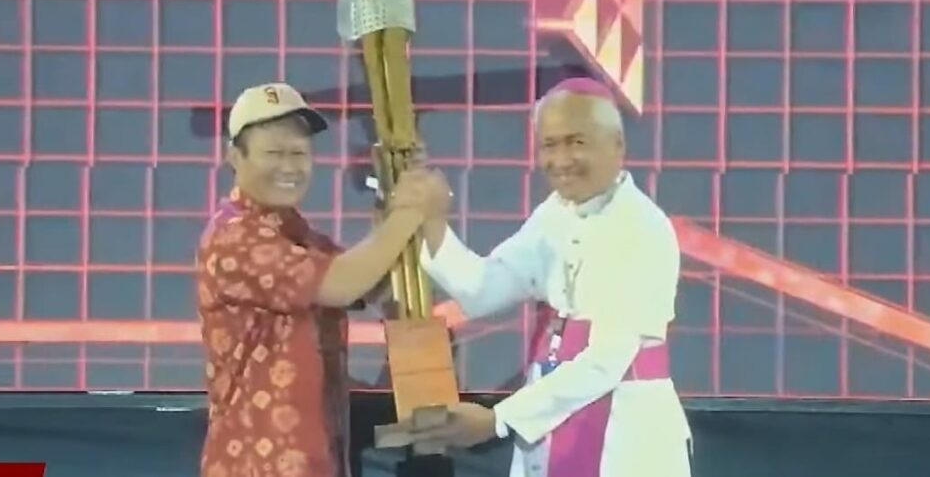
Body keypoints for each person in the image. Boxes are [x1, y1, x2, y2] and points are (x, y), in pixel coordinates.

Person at [403, 77, 692, 477]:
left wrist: (498, 420)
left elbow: (606, 361)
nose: (561, 159)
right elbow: (482, 290)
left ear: (618, 145)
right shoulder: (555, 214)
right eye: (549, 145)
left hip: (626, 431)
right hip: (550, 421)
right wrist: (432, 220)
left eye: (576, 142)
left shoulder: (641, 227)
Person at [196, 82, 450, 477]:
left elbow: (368, 280)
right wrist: (412, 209)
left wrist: (395, 187)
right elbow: (342, 283)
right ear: (234, 157)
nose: (289, 167)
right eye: (273, 153)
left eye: (299, 153)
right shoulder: (234, 237)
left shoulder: (293, 234)